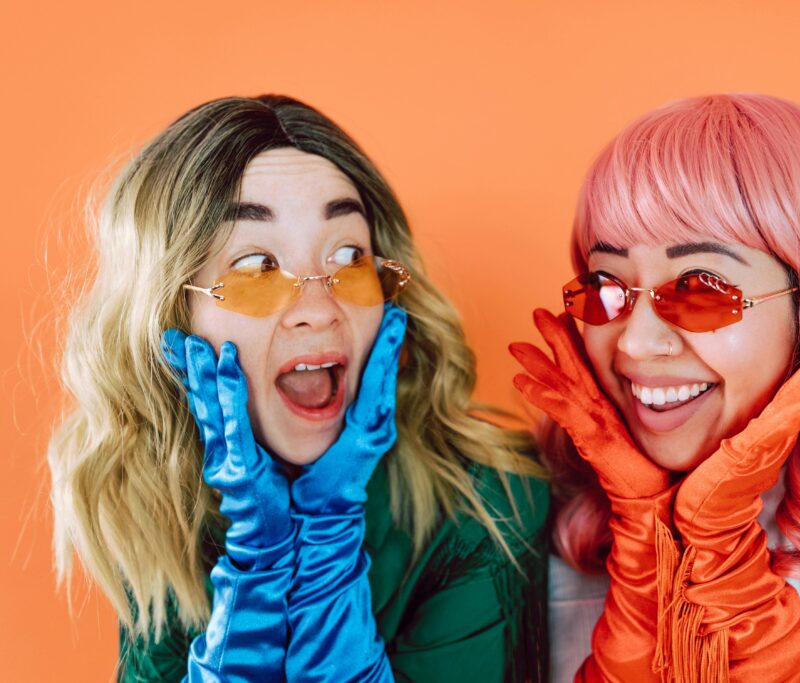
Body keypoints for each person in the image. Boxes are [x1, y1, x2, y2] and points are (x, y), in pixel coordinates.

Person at [47, 94, 549, 682]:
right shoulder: (153, 499)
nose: (319, 308)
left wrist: (330, 537)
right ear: (171, 320)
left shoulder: (491, 503)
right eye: (257, 266)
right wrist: (256, 570)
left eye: (347, 255)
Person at [511, 94, 800, 682]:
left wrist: (724, 557)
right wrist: (644, 538)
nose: (633, 344)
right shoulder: (545, 481)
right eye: (607, 283)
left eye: (700, 288)